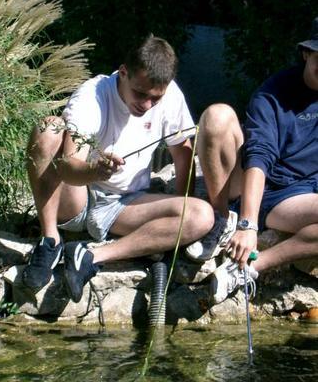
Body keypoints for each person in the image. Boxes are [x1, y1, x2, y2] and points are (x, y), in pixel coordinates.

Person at [22, 36, 214, 302]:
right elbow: (66, 167)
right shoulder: (93, 95)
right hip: (78, 199)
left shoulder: (170, 95)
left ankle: (90, 255)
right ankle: (50, 240)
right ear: (123, 72)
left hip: (123, 206)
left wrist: (177, 224)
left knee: (201, 215)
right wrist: (95, 171)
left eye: (155, 99)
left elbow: (183, 157)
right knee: (49, 127)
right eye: (140, 94)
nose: (147, 105)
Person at [186, 17, 318, 303]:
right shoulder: (273, 94)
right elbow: (259, 157)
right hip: (259, 186)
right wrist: (248, 225)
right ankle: (220, 221)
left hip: (298, 196)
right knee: (216, 116)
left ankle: (249, 268)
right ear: (306, 53)